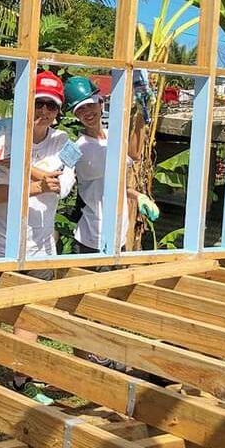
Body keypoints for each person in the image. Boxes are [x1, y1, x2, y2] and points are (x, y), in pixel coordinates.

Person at [0, 70, 75, 405]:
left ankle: (19, 378)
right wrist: (37, 182)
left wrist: (26, 173)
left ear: (57, 110)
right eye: (39, 103)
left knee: (30, 316)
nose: (44, 111)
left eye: (51, 105)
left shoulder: (63, 142)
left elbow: (62, 185)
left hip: (41, 247)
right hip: (0, 243)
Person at [65, 75, 159, 369]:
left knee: (112, 302)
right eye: (80, 109)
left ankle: (103, 355)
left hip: (118, 235)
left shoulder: (113, 137)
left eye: (90, 105)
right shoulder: (77, 146)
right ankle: (84, 361)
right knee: (86, 302)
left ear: (100, 102)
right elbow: (62, 175)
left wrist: (140, 114)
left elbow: (133, 154)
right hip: (92, 236)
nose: (87, 112)